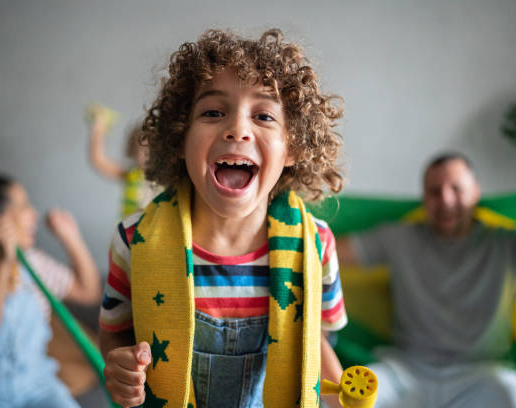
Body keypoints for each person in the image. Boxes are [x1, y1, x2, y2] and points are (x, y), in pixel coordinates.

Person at [99, 28, 349, 408]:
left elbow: (317, 340)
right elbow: (114, 334)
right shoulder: (133, 240)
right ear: (181, 138)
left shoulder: (316, 244)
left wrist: (347, 395)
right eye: (213, 112)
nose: (237, 129)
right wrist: (118, 368)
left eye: (264, 115)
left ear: (294, 147)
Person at [337, 153, 516, 407]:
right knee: (345, 400)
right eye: (435, 191)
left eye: (456, 189)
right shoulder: (400, 239)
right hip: (405, 372)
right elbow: (327, 251)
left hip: (484, 374)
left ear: (476, 193)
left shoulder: (505, 243)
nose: (446, 199)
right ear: (424, 198)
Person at [0, 169, 102, 408]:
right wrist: (4, 262)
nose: (33, 213)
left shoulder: (32, 261)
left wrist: (71, 238)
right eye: (23, 206)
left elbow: (89, 292)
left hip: (39, 386)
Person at [87, 104, 158, 217]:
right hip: (129, 232)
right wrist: (98, 127)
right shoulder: (131, 175)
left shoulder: (168, 181)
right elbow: (98, 160)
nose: (143, 155)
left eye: (150, 150)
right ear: (132, 150)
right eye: (139, 149)